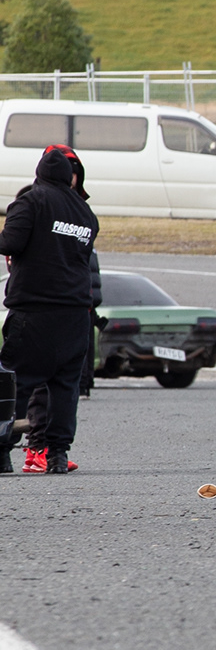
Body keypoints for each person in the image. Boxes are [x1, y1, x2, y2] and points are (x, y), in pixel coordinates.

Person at [0, 145, 100, 475]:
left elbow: (10, 243)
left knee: (15, 383)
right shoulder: (85, 213)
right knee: (64, 388)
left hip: (35, 310)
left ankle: (2, 451)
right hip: (75, 315)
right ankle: (57, 453)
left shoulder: (31, 201)